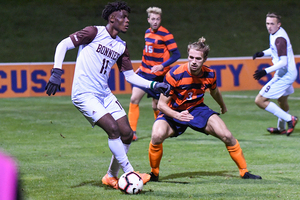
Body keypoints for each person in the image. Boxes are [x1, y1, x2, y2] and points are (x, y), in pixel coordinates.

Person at [45, 1, 170, 190]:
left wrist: (154, 84)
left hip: (104, 94)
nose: (127, 21)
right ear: (112, 18)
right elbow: (63, 45)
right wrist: (56, 72)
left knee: (127, 134)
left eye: (128, 17)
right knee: (113, 129)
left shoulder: (121, 46)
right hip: (84, 93)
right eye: (123, 17)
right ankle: (130, 173)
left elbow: (130, 76)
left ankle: (110, 176)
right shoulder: (93, 32)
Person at [148, 37, 262, 181]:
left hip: (197, 109)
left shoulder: (210, 74)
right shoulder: (174, 74)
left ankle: (244, 172)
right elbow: (161, 105)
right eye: (191, 57)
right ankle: (154, 174)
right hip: (174, 111)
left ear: (205, 59)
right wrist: (177, 116)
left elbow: (214, 91)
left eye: (198, 58)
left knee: (226, 135)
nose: (194, 61)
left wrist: (222, 105)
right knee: (156, 136)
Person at [128, 7, 181, 141]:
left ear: (160, 20)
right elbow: (146, 52)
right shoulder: (147, 33)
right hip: (145, 73)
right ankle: (131, 133)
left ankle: (160, 130)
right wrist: (140, 67)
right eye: (153, 19)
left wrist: (162, 66)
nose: (155, 21)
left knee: (156, 105)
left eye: (157, 19)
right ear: (148, 20)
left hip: (159, 76)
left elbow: (176, 54)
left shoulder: (166, 34)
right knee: (134, 98)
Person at [252, 12, 298, 136]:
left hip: (285, 74)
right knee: (282, 100)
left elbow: (283, 62)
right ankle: (281, 128)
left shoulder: (279, 38)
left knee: (260, 100)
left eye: (272, 24)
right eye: (267, 23)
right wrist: (262, 53)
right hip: (287, 72)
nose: (269, 26)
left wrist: (265, 71)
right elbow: (274, 50)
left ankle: (290, 119)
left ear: (279, 24)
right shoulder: (275, 33)